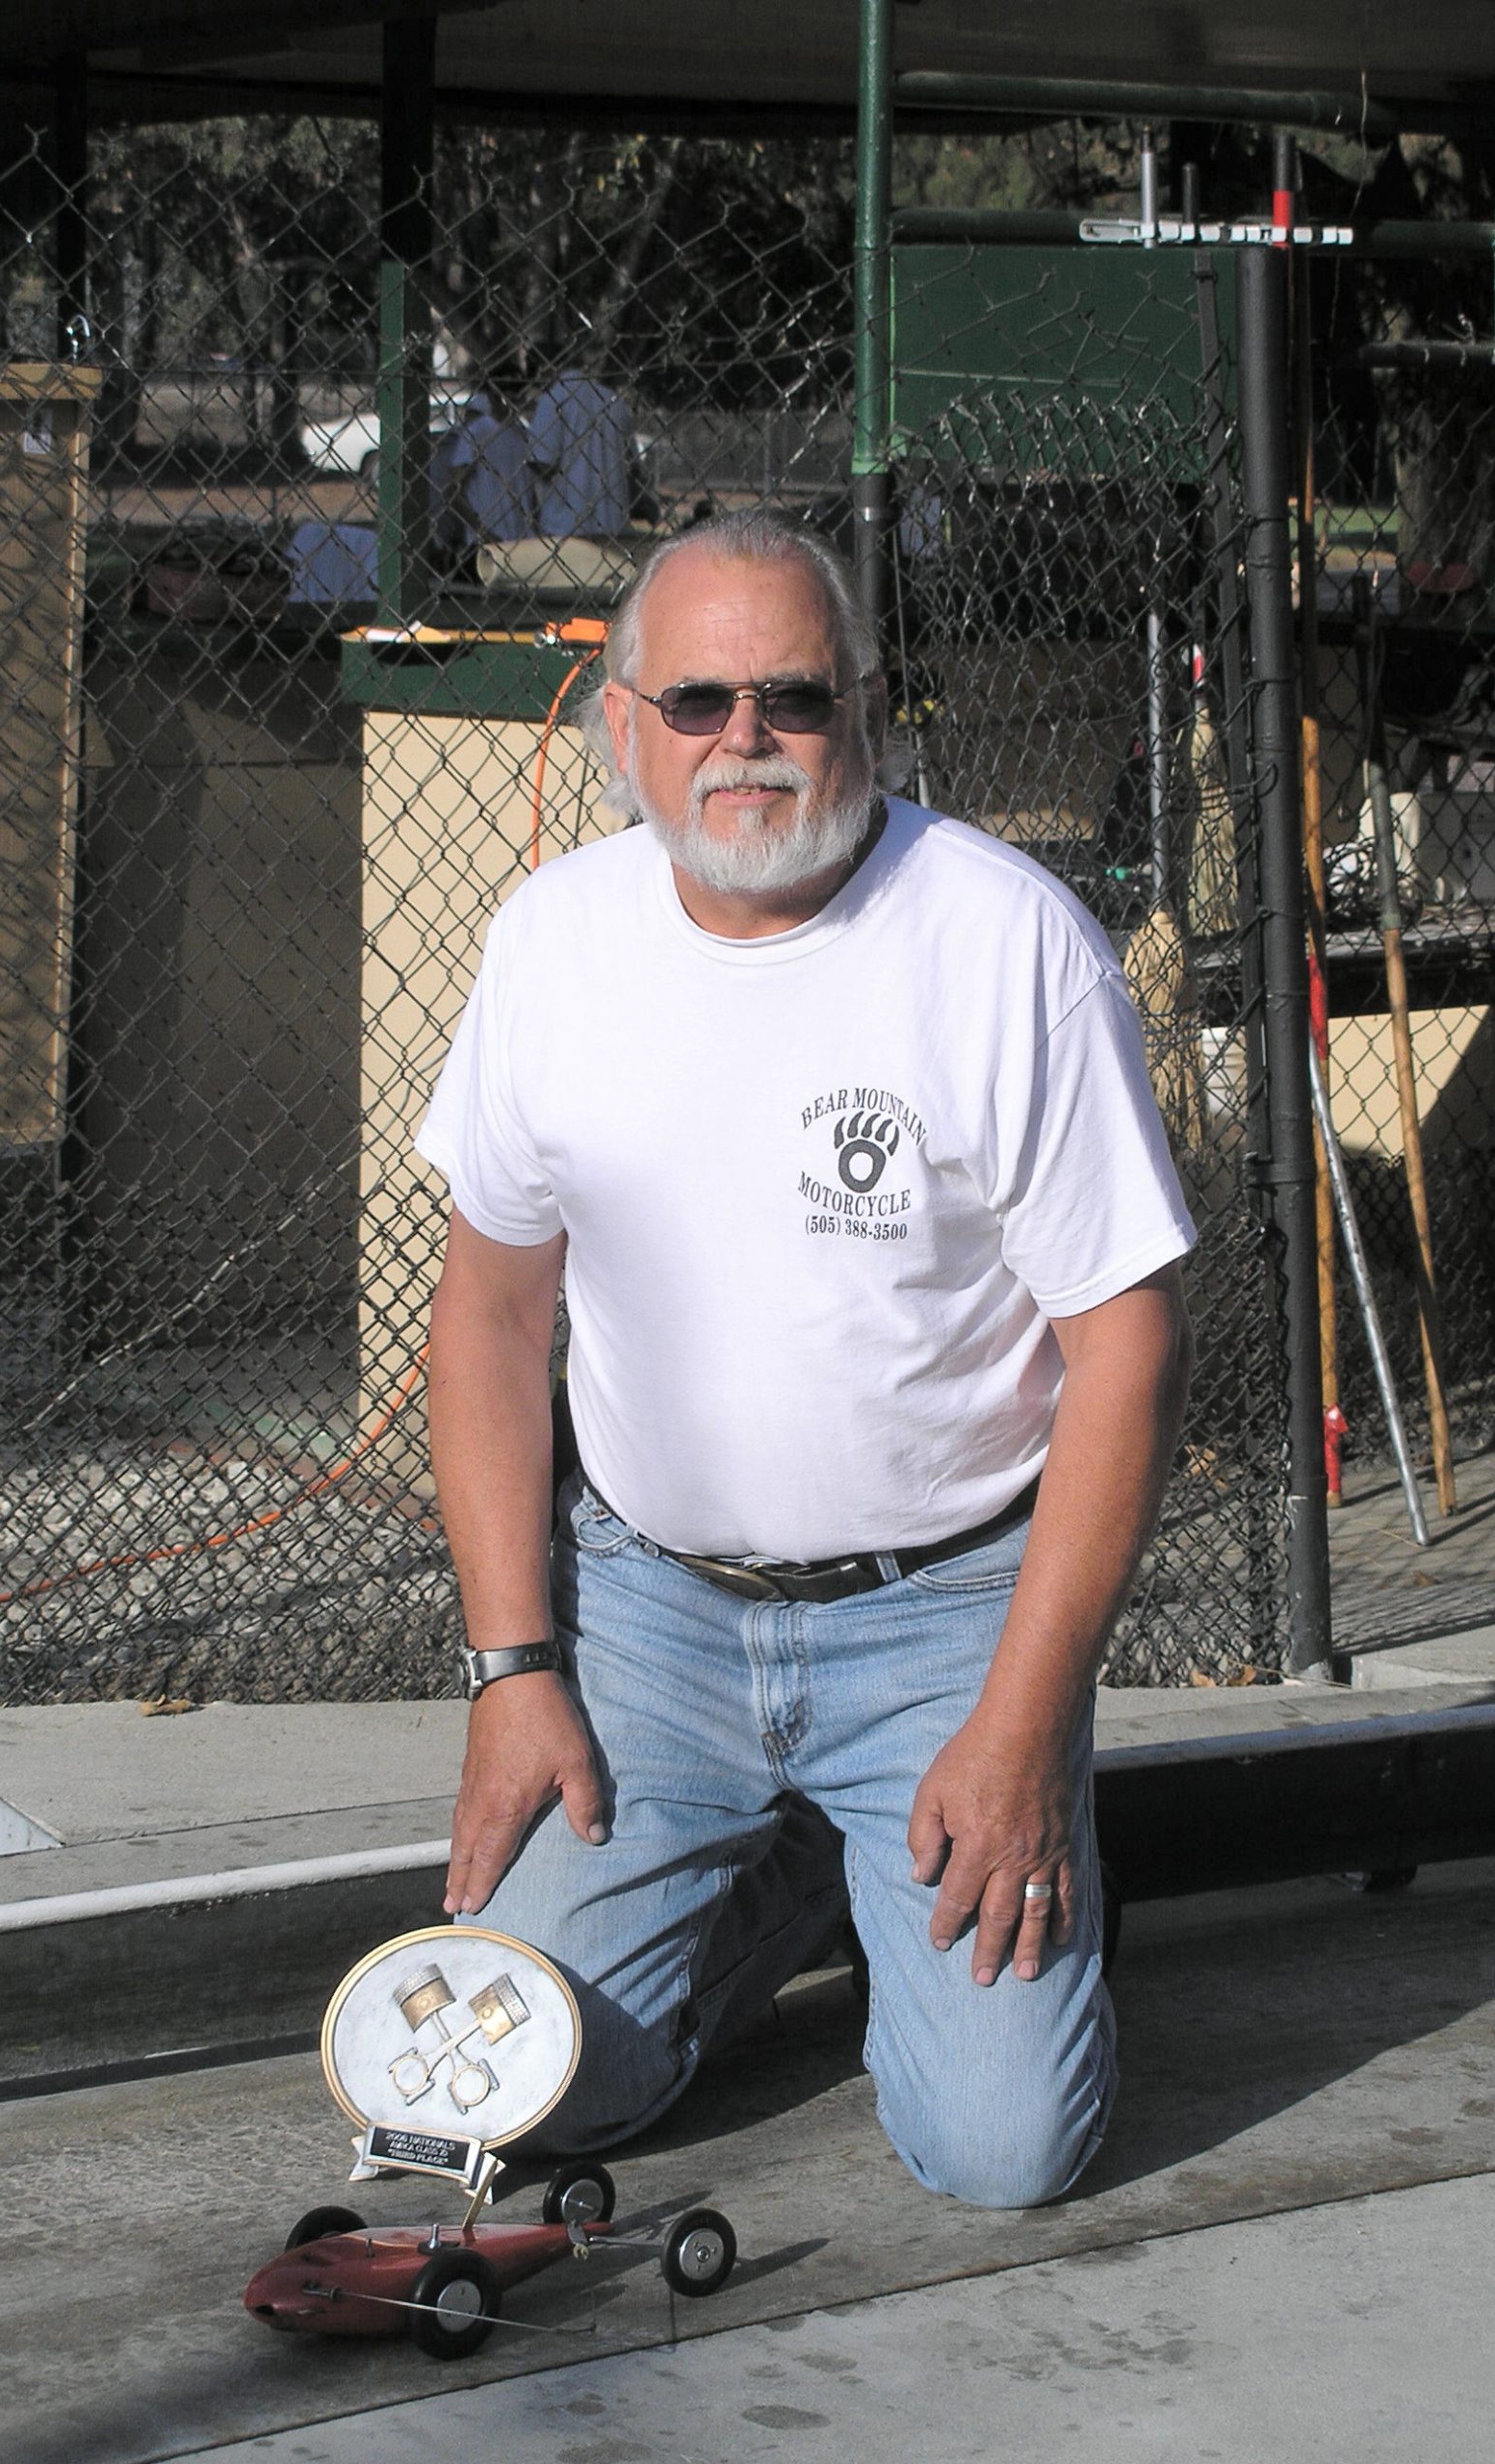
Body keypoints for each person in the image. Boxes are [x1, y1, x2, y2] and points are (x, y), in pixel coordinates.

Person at [414, 509, 1195, 2207]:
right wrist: (510, 1670)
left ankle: (941, 1844)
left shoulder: (1007, 945)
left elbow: (1126, 1352)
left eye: (793, 698)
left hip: (944, 1619)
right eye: (697, 702)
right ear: (624, 726)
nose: (745, 742)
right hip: (651, 1615)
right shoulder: (553, 942)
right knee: (513, 2101)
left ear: (866, 707)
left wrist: (1022, 1718)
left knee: (1002, 2154)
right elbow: (486, 1314)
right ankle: (793, 1875)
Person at [427, 383, 537, 558]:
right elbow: (453, 492)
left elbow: (451, 492)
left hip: (507, 542)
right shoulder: (482, 433)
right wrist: (483, 533)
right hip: (499, 543)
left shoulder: (519, 434)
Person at [525, 367, 637, 536]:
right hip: (614, 524)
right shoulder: (614, 401)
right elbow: (632, 465)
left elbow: (542, 462)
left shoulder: (554, 398)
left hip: (565, 527)